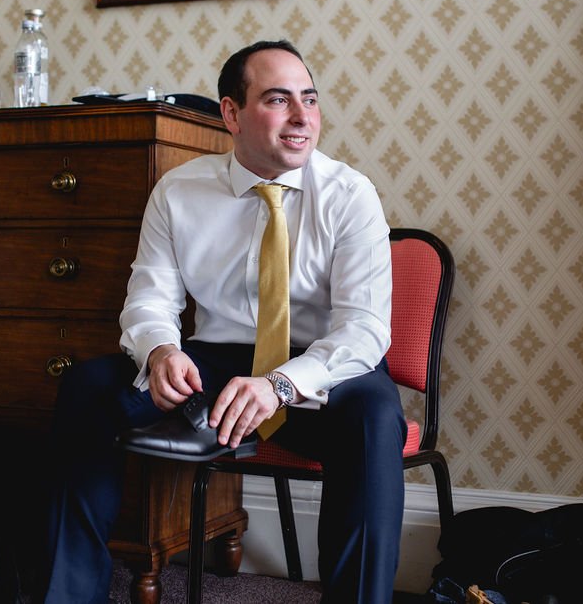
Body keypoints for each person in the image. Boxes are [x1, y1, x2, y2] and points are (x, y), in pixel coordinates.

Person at [44, 40, 405, 604]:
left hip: (319, 371)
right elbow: (148, 299)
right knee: (87, 387)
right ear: (231, 114)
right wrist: (160, 351)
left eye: (309, 99)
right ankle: (68, 596)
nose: (302, 117)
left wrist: (282, 384)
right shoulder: (179, 192)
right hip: (215, 367)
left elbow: (364, 330)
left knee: (377, 414)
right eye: (278, 99)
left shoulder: (350, 195)